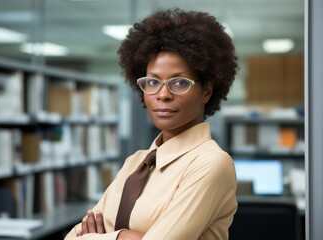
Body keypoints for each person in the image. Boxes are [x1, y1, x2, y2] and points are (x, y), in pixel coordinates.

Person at [65, 8, 238, 240]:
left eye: (179, 82)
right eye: (153, 81)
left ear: (206, 90)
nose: (163, 94)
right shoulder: (135, 162)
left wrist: (111, 236)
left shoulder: (211, 164)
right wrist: (129, 236)